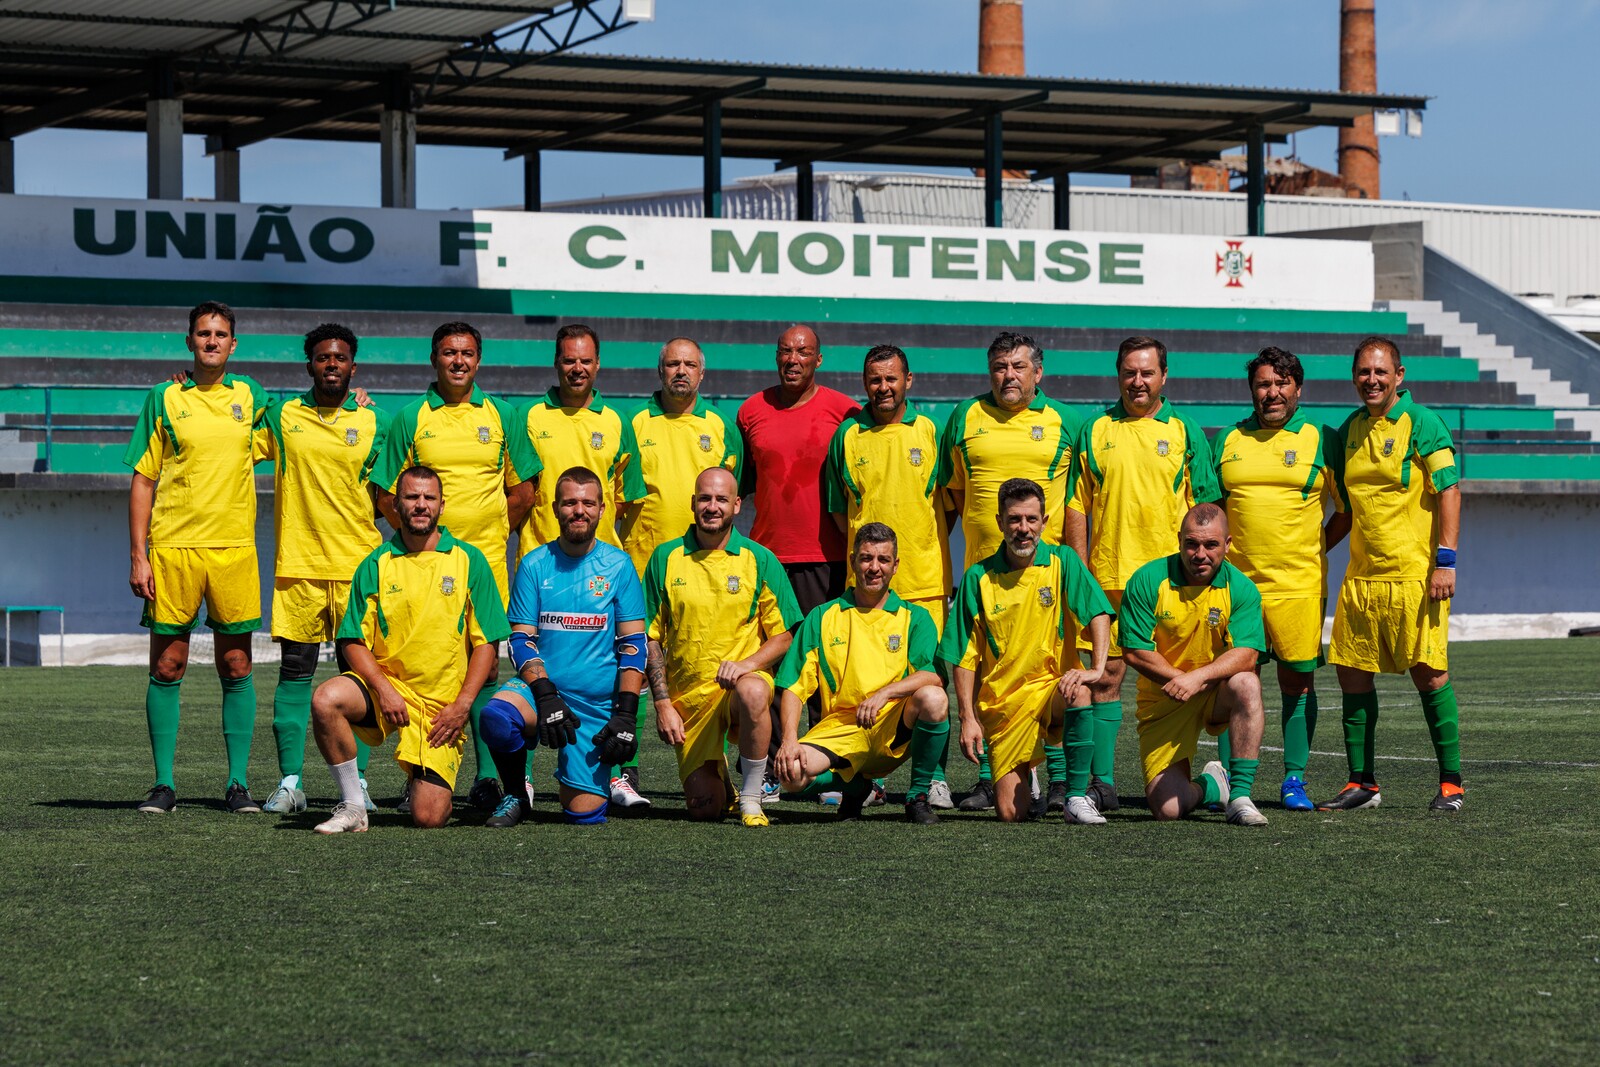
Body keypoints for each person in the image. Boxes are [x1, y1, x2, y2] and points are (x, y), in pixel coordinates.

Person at [370, 321, 541, 811]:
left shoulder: (502, 414)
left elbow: (524, 490)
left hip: (483, 564)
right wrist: (416, 541)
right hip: (422, 567)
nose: (458, 361)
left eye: (466, 353)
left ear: (478, 360)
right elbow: (385, 493)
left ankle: (489, 780)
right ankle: (420, 771)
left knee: (484, 671)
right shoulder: (411, 416)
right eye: (449, 352)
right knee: (421, 668)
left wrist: (492, 532)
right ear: (434, 359)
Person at [307, 466, 509, 833]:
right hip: (388, 688)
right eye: (412, 497)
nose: (420, 504)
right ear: (396, 505)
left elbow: (486, 645)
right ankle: (353, 806)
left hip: (439, 707)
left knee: (429, 818)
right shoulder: (376, 564)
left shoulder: (469, 560)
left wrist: (462, 705)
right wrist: (384, 689)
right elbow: (352, 640)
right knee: (326, 699)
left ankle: (422, 772)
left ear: (441, 506)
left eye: (429, 497)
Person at [1066, 335, 1219, 815]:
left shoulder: (1185, 431)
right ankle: (1103, 785)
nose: (1138, 381)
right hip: (1109, 577)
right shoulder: (1095, 429)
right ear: (1118, 374)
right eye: (1129, 372)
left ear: (1164, 377)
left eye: (1147, 372)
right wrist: (1081, 574)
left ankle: (1214, 779)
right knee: (1105, 678)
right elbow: (1076, 506)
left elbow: (1207, 511)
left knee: (1180, 682)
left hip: (1170, 584)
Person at [125, 301, 267, 815]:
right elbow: (143, 479)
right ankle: (163, 785)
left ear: (233, 344)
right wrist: (138, 555)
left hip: (233, 550)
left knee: (236, 664)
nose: (211, 341)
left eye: (220, 334)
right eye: (203, 333)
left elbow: (303, 422)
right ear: (189, 341)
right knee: (168, 665)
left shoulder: (252, 396)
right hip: (173, 549)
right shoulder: (163, 397)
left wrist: (356, 400)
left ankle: (238, 784)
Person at [942, 332, 1086, 813]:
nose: (1009, 375)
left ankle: (1062, 781)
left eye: (1019, 366)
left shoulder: (1066, 421)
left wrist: (1076, 568)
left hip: (1047, 578)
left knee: (1058, 676)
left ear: (1038, 372)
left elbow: (1077, 503)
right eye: (1000, 366)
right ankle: (991, 778)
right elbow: (953, 492)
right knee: (988, 677)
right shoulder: (965, 416)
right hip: (986, 575)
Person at [1322, 336, 1464, 813]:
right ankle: (1362, 783)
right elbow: (1345, 511)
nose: (1372, 380)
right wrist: (1312, 551)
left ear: (1399, 376)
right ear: (1353, 377)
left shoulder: (1422, 422)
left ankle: (1451, 784)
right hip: (1361, 579)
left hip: (1415, 578)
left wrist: (1446, 562)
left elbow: (1449, 490)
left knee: (1430, 675)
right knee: (1351, 674)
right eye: (1364, 372)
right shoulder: (1349, 429)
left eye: (1381, 372)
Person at [254, 323, 390, 815]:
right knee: (295, 672)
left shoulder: (376, 421)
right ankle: (290, 783)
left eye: (340, 357)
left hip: (358, 567)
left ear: (354, 366)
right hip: (299, 567)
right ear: (309, 364)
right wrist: (190, 380)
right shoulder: (282, 415)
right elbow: (232, 429)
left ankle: (359, 785)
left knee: (360, 676)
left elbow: (387, 498)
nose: (332, 364)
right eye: (323, 357)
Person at [1212, 347, 1349, 812]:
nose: (1272, 393)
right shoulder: (1228, 439)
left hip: (1299, 585)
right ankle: (1230, 778)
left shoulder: (1322, 439)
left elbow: (1345, 512)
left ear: (1298, 388)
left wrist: (1312, 549)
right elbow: (1213, 511)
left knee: (1297, 682)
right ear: (1252, 390)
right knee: (1236, 680)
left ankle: (1294, 779)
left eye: (1281, 383)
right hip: (1237, 587)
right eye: (1263, 384)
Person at [473, 467, 648, 827]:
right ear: (555, 508)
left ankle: (592, 777)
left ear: (602, 509)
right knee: (497, 717)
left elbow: (633, 645)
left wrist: (627, 714)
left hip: (594, 704)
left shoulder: (619, 566)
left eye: (588, 503)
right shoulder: (535, 564)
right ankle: (516, 793)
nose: (578, 511)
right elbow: (521, 640)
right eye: (569, 503)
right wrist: (546, 693)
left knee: (583, 815)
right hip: (541, 693)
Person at [824, 343, 957, 808]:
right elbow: (840, 512)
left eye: (891, 378)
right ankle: (869, 777)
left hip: (924, 580)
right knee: (865, 681)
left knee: (928, 680)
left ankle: (933, 778)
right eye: (875, 379)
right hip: (867, 585)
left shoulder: (930, 431)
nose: (883, 387)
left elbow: (948, 505)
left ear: (908, 381)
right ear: (865, 383)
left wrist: (920, 545)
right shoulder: (847, 435)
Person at [939, 478, 1114, 824]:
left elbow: (1098, 613)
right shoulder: (978, 577)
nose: (1024, 528)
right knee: (1010, 814)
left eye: (1031, 519)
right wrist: (967, 717)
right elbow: (963, 656)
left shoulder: (1063, 561)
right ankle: (1027, 779)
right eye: (1015, 519)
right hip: (1005, 706)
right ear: (999, 522)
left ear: (1044, 522)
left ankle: (1075, 796)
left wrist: (1096, 668)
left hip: (1051, 689)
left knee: (1079, 689)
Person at [737, 324, 860, 796]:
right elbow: (745, 486)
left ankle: (824, 768)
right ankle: (770, 769)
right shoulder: (750, 411)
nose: (793, 359)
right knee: (767, 668)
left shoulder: (844, 411)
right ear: (775, 356)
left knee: (825, 666)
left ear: (819, 359)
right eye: (785, 351)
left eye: (803, 352)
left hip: (825, 557)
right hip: (767, 559)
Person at [642, 467, 802, 826]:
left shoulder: (759, 559)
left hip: (738, 688)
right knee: (704, 808)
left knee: (753, 691)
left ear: (737, 505)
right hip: (689, 702)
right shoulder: (665, 558)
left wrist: (746, 665)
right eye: (705, 498)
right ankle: (723, 785)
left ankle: (751, 798)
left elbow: (785, 635)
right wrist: (663, 705)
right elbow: (648, 636)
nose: (712, 507)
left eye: (721, 499)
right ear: (693, 503)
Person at [773, 523, 950, 825]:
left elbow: (932, 676)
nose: (874, 568)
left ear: (896, 565)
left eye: (883, 560)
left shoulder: (915, 617)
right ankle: (855, 787)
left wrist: (885, 694)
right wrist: (789, 740)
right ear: (853, 560)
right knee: (791, 775)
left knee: (934, 698)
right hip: (842, 728)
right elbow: (792, 685)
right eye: (866, 558)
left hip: (892, 726)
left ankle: (917, 797)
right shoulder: (822, 616)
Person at [1118, 503, 1270, 826]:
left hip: (1214, 692)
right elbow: (1134, 650)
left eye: (1211, 545)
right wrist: (1180, 680)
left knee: (1247, 682)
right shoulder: (1147, 580)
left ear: (1227, 545)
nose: (1200, 554)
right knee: (1167, 810)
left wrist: (1197, 679)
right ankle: (1213, 784)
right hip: (1165, 699)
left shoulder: (1242, 588)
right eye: (1191, 544)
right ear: (1179, 540)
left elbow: (1247, 654)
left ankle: (1240, 797)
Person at [620, 337, 742, 575]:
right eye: (673, 364)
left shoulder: (723, 427)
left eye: (690, 365)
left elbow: (732, 495)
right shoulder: (632, 422)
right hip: (642, 562)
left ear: (702, 373)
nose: (681, 371)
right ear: (660, 370)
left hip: (704, 562)